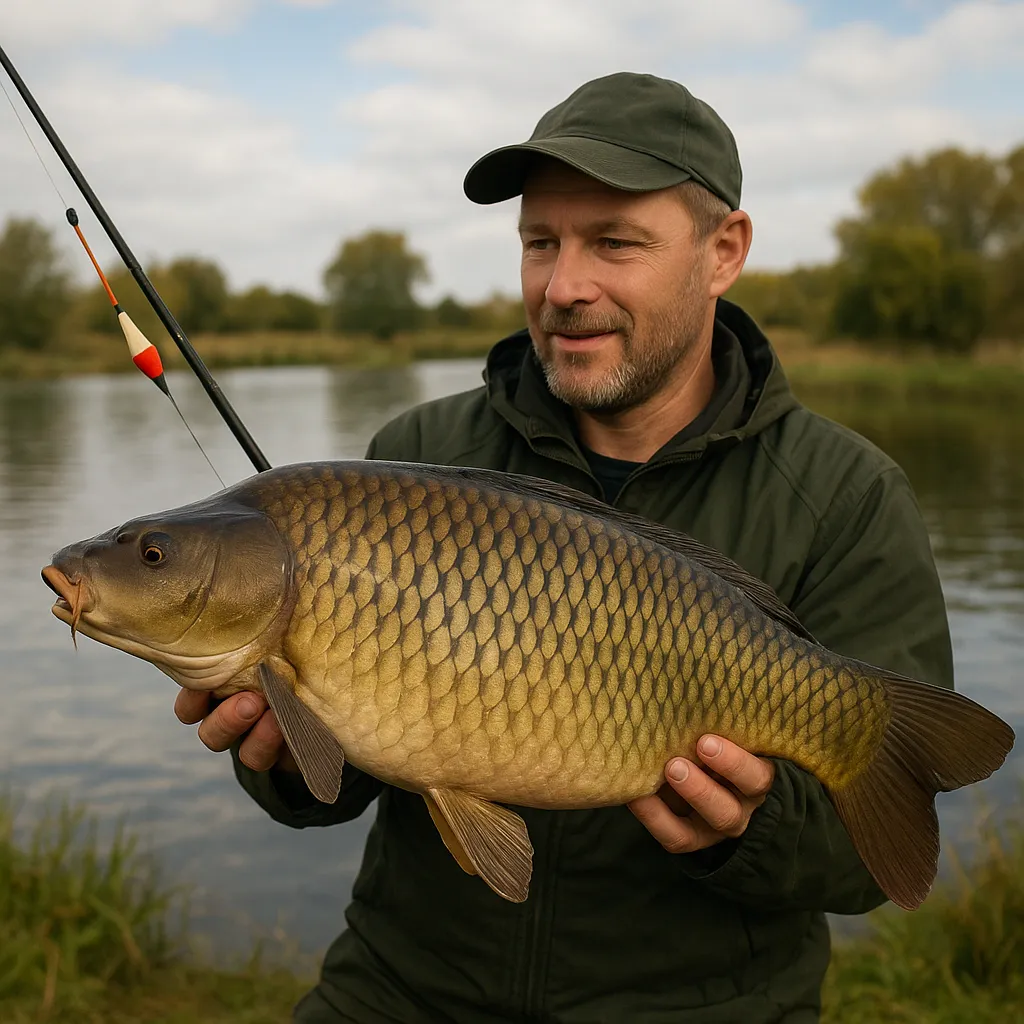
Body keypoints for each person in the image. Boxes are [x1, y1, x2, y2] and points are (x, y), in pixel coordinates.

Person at [175, 72, 953, 1023]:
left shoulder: (846, 498)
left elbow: (866, 865)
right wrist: (288, 762)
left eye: (615, 243)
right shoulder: (416, 459)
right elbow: (339, 784)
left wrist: (741, 832)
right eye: (540, 243)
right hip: (405, 991)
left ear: (724, 252)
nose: (564, 286)